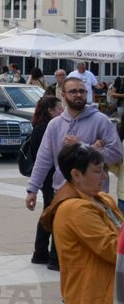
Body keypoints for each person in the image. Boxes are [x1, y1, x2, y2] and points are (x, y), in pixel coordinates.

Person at [39, 143, 123, 304]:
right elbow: (113, 249)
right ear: (76, 175)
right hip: (99, 300)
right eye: (97, 171)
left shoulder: (102, 199)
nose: (104, 176)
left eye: (104, 170)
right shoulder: (75, 209)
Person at [27, 76, 123, 210]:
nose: (78, 94)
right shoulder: (55, 125)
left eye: (82, 91)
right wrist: (32, 189)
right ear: (63, 95)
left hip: (94, 197)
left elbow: (116, 154)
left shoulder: (101, 121)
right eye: (73, 91)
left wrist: (83, 146)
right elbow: (43, 159)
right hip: (62, 194)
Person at [26, 95, 63, 269]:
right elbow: (46, 157)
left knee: (48, 213)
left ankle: (40, 253)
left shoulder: (38, 127)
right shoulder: (47, 128)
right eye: (59, 109)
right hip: (50, 178)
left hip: (45, 178)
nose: (62, 112)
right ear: (50, 111)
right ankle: (53, 257)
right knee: (55, 215)